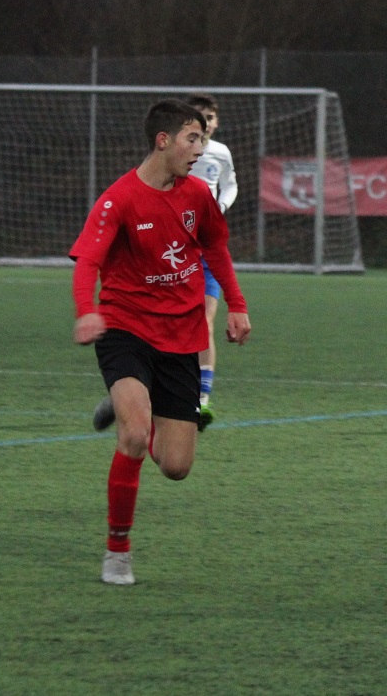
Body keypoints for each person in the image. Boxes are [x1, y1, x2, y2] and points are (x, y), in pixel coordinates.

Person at [71, 99, 252, 586]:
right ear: (163, 141)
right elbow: (88, 260)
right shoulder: (120, 199)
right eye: (193, 139)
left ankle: (132, 410)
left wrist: (236, 304)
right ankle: (118, 550)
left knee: (176, 467)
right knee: (132, 435)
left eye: (203, 139)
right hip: (125, 328)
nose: (201, 148)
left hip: (182, 334)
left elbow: (215, 247)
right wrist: (86, 311)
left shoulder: (197, 195)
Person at [185, 93, 238, 428]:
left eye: (210, 116)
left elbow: (231, 186)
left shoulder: (220, 153)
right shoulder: (176, 151)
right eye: (199, 114)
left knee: (205, 320)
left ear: (215, 122)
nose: (206, 120)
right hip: (176, 246)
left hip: (208, 246)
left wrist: (219, 207)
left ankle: (202, 399)